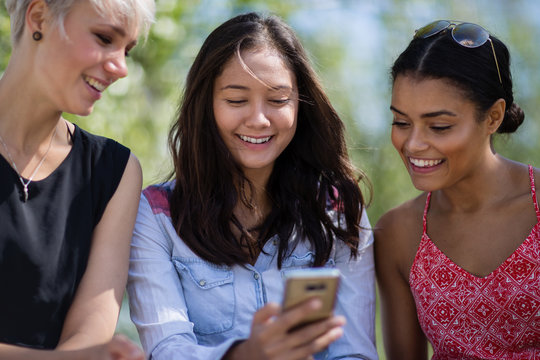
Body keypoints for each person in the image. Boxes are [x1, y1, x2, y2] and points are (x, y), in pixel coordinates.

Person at [127, 12, 377, 360]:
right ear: (206, 105)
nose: (259, 119)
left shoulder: (337, 210)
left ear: (300, 105)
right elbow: (167, 350)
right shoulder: (156, 216)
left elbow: (355, 352)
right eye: (236, 100)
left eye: (277, 100)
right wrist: (249, 353)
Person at [375, 20, 540, 359]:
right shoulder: (398, 233)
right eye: (402, 123)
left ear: (493, 117)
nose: (414, 144)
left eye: (439, 126)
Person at [0, 0, 154, 359]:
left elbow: (89, 339)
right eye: (104, 38)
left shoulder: (114, 171)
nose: (121, 68)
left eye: (127, 50)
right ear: (38, 17)